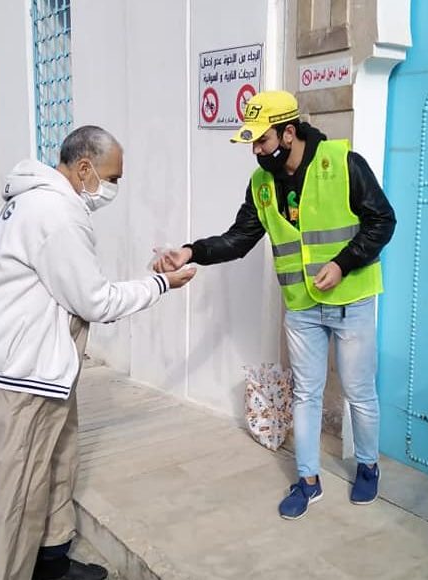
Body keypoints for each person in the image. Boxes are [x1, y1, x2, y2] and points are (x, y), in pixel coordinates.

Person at [0, 125, 196, 579]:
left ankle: (52, 564)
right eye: (113, 178)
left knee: (56, 468)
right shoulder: (55, 212)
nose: (113, 188)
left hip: (46, 369)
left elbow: (70, 285)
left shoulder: (42, 201)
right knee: (11, 497)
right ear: (85, 168)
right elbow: (94, 301)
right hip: (22, 377)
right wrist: (160, 284)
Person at [154, 91, 396, 519]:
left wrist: (343, 263)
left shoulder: (343, 164)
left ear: (288, 132)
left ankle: (368, 466)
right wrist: (191, 252)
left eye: (262, 140)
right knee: (306, 394)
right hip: (301, 307)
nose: (257, 151)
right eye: (252, 143)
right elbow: (238, 239)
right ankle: (308, 480)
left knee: (359, 393)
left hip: (352, 301)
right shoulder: (261, 184)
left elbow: (383, 220)